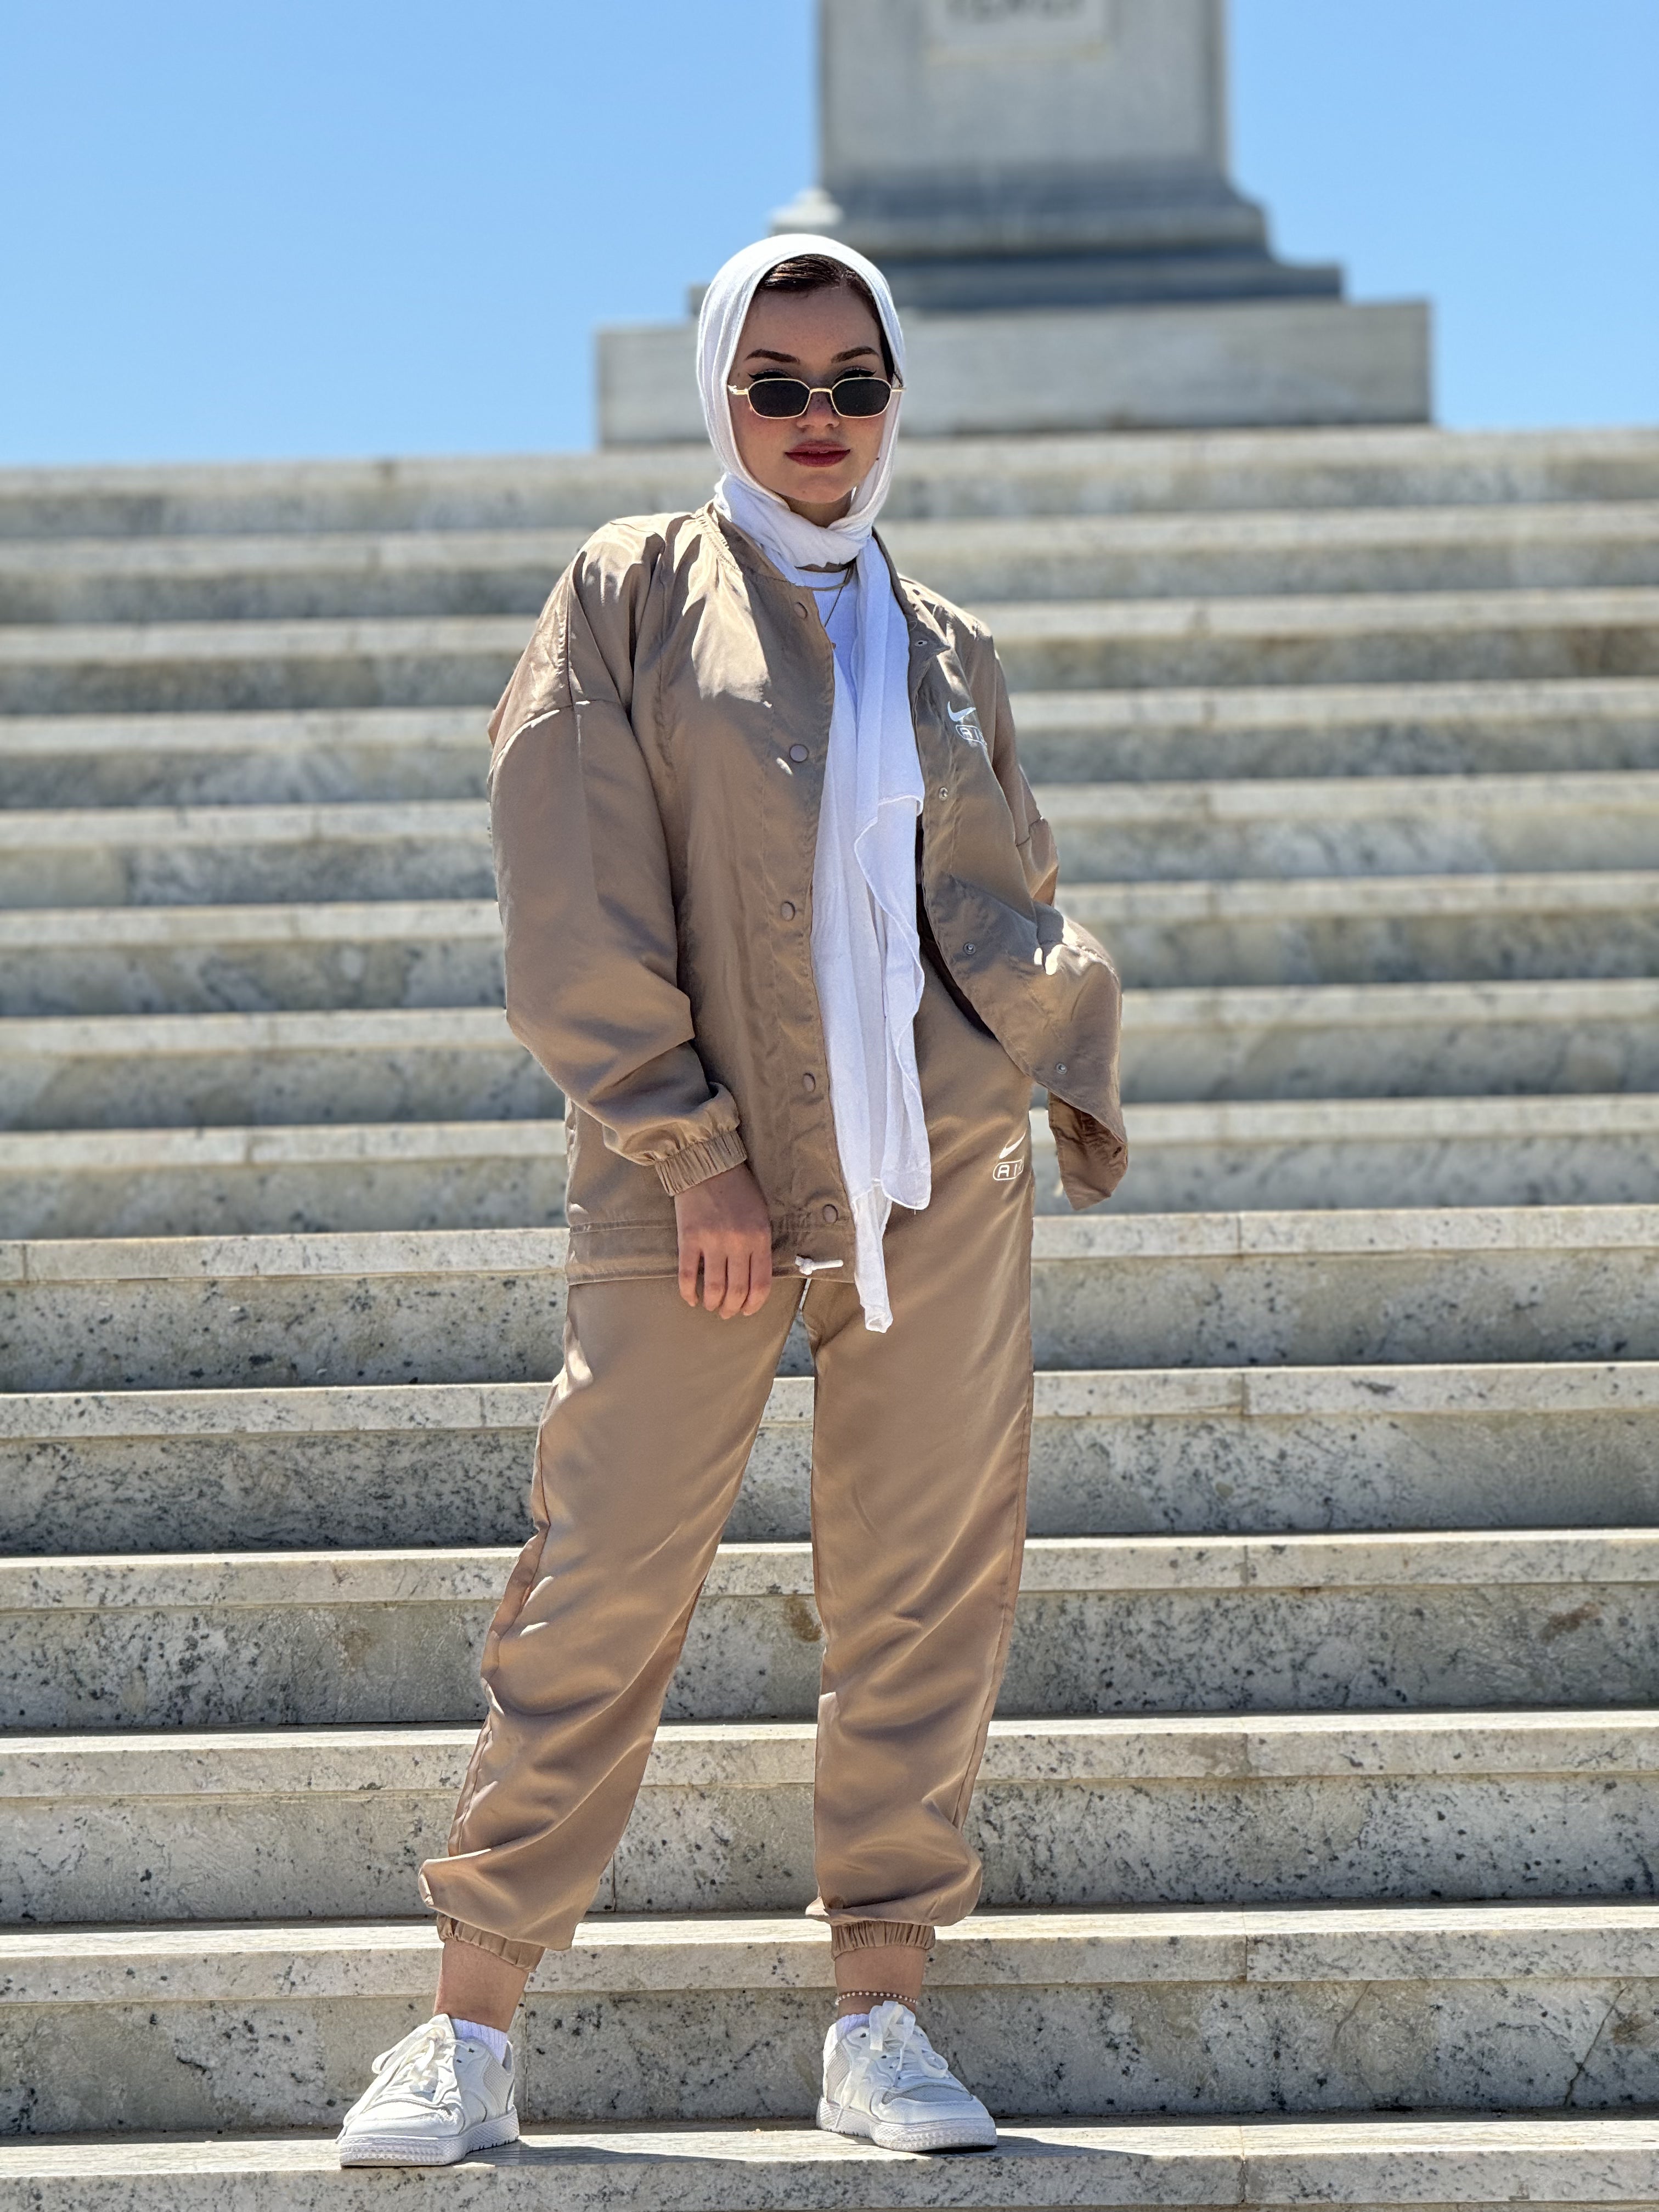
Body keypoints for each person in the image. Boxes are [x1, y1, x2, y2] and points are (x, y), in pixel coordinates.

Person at [336, 233, 1126, 2170]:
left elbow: (1001, 890)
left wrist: (1053, 1055)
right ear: (722, 396)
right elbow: (573, 888)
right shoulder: (628, 594)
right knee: (601, 1575)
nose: (816, 418)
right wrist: (692, 1149)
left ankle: (880, 2018)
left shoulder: (943, 642)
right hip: (697, 1171)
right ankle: (471, 2027)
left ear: (893, 399)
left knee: (926, 1585)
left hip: (936, 1171)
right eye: (777, 384)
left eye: (854, 383)